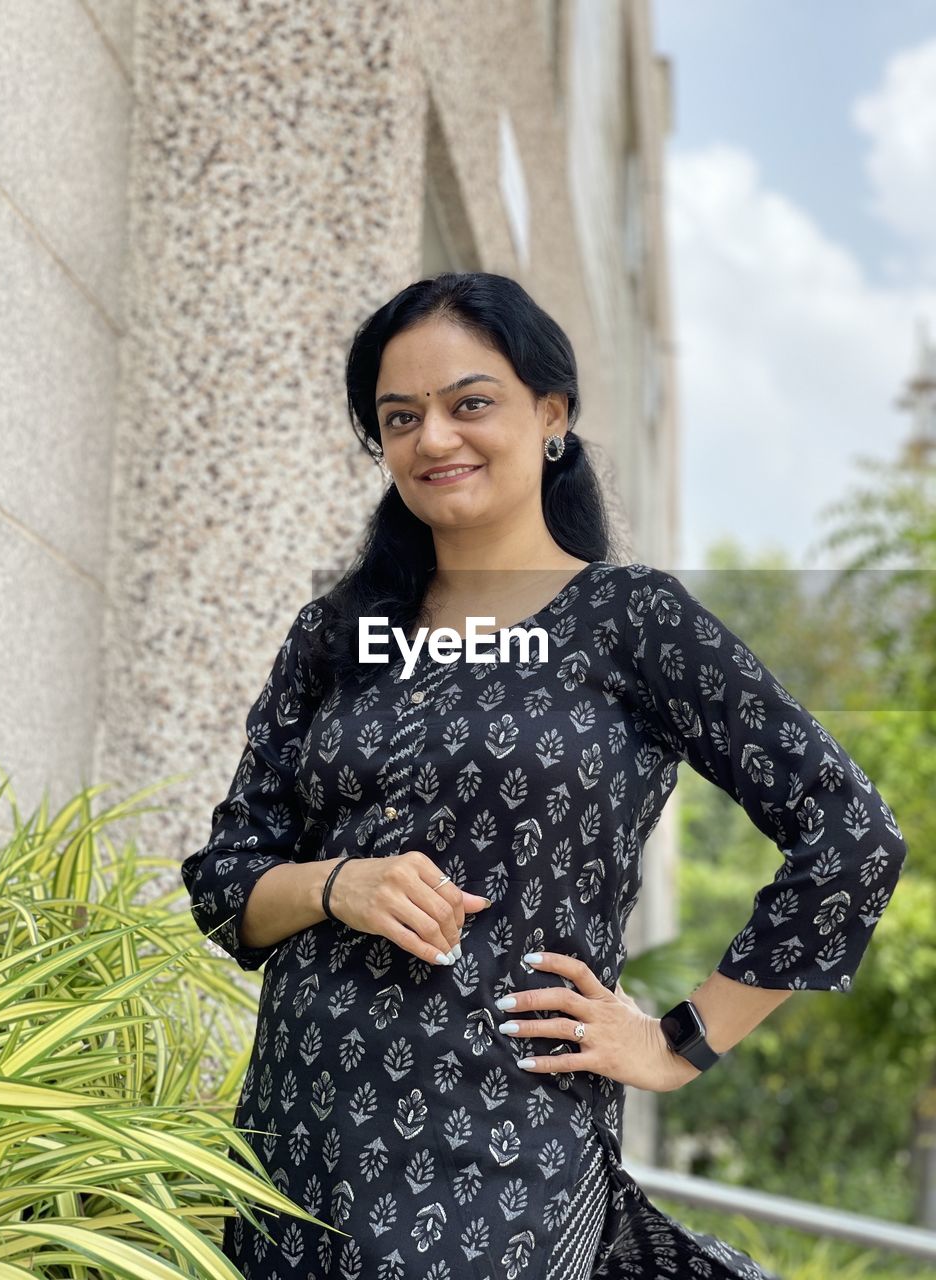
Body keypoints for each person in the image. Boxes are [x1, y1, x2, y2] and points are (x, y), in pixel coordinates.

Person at [181, 272, 908, 1279]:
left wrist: (677, 1040)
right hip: (291, 1150)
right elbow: (226, 884)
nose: (434, 437)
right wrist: (338, 883)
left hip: (500, 1167)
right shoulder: (339, 634)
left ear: (552, 414)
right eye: (402, 416)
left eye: (469, 402)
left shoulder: (632, 620)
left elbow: (852, 833)